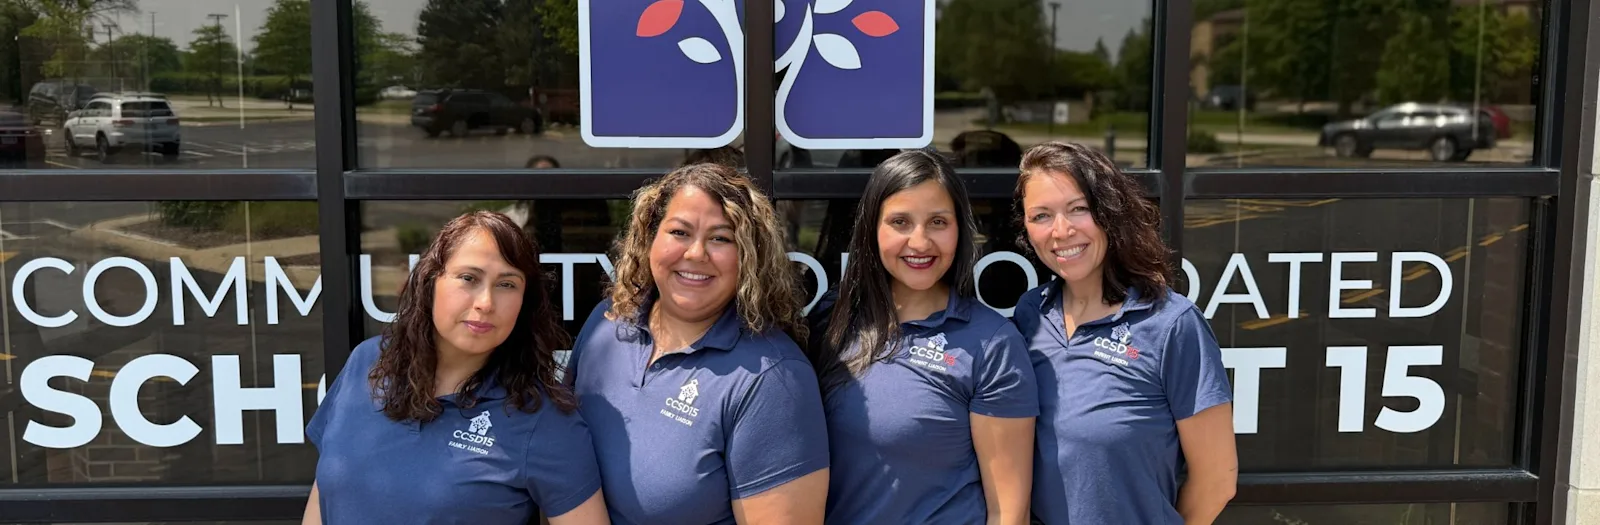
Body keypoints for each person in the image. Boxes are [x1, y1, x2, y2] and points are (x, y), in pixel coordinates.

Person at [303, 211, 609, 525]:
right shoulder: (367, 362)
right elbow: (324, 493)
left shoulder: (544, 419)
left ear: (524, 302)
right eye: (469, 278)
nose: (486, 302)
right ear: (431, 279)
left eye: (507, 284)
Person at [566, 163, 830, 525]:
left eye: (721, 238)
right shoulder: (607, 323)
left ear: (749, 256)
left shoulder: (773, 378)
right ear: (649, 238)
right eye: (679, 232)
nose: (695, 253)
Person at [804, 149, 1039, 525]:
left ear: (960, 229)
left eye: (937, 222)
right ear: (872, 229)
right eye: (900, 221)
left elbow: (1008, 512)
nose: (920, 242)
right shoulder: (831, 321)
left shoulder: (991, 344)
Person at [1009, 142, 1237, 525]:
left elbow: (1218, 480)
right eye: (1041, 215)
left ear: (1109, 213)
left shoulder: (1171, 325)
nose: (1061, 231)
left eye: (1078, 209)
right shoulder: (1031, 313)